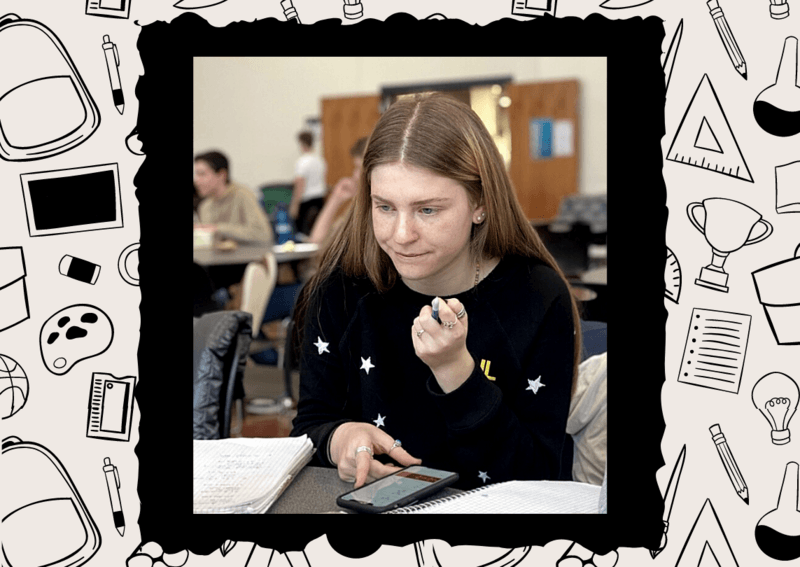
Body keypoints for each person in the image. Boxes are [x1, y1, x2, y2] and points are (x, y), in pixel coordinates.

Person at [290, 93, 583, 491]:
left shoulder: (537, 296)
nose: (402, 235)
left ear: (479, 202)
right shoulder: (340, 287)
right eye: (385, 207)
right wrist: (340, 439)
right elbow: (310, 427)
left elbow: (537, 474)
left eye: (427, 210)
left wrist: (455, 371)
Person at [194, 150, 274, 245]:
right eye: (196, 174)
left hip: (245, 258)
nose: (197, 180)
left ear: (221, 175)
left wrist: (217, 228)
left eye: (202, 174)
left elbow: (263, 235)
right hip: (217, 259)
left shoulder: (243, 195)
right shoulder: (205, 206)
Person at [307, 137, 367, 245]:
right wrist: (336, 199)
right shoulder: (358, 206)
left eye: (359, 168)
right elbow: (316, 241)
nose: (355, 175)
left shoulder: (373, 211)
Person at [289, 131, 327, 236]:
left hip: (306, 202)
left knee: (303, 234)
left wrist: (295, 205)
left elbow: (300, 184)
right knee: (318, 231)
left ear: (302, 144)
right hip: (319, 199)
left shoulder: (302, 161)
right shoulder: (320, 160)